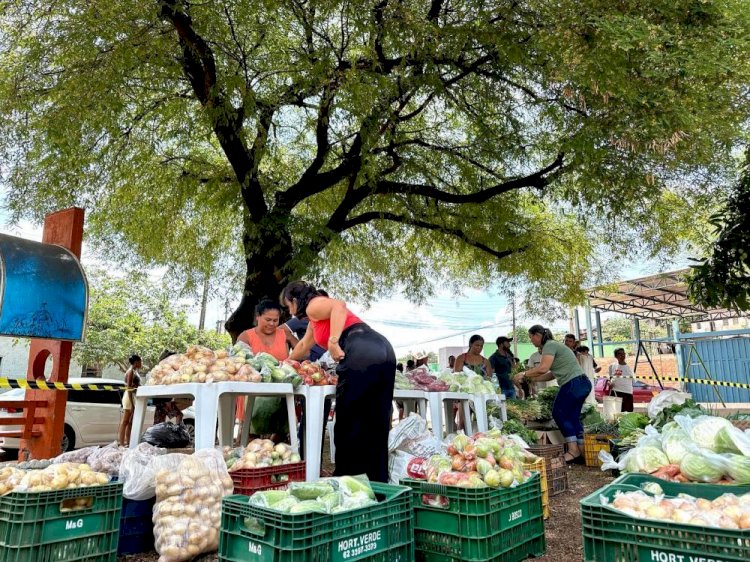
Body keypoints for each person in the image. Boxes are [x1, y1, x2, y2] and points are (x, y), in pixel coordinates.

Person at [282, 281, 396, 483]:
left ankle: (347, 483)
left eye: (288, 305)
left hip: (360, 349)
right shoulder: (313, 321)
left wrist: (333, 342)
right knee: (375, 419)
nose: (289, 311)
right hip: (383, 348)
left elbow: (339, 305)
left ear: (294, 300)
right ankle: (377, 483)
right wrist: (283, 365)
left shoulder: (313, 304)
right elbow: (302, 347)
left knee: (349, 422)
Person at [515, 325, 591, 464]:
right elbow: (551, 375)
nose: (531, 341)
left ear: (537, 335)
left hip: (573, 384)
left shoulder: (549, 345)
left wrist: (524, 373)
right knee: (573, 418)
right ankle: (582, 451)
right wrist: (533, 379)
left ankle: (573, 451)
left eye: (531, 337)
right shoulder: (555, 345)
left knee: (559, 413)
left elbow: (543, 368)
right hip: (582, 384)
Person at [237, 299, 291, 441]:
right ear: (258, 317)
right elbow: (237, 362)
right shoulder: (246, 336)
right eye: (268, 319)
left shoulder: (284, 334)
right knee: (251, 439)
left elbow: (302, 351)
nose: (272, 324)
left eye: (276, 320)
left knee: (279, 439)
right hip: (252, 395)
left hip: (280, 396)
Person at [152, 350, 185, 424]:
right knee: (178, 415)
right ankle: (178, 432)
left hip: (160, 400)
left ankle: (156, 433)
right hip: (163, 400)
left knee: (159, 420)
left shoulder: (162, 368)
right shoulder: (166, 369)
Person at [119, 354, 142, 446]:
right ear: (136, 362)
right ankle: (121, 443)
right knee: (125, 421)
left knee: (130, 422)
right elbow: (128, 388)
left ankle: (128, 442)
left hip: (133, 397)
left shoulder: (135, 372)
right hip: (129, 398)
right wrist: (132, 404)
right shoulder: (130, 372)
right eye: (140, 361)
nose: (141, 363)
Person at [608, 348, 634, 412]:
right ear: (616, 356)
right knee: (615, 413)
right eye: (620, 354)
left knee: (627, 413)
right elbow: (609, 378)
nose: (622, 355)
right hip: (615, 392)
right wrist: (609, 383)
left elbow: (633, 381)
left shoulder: (629, 368)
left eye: (623, 353)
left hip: (626, 393)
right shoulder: (612, 366)